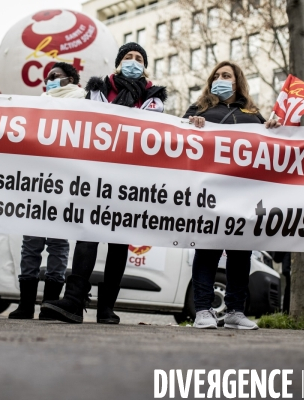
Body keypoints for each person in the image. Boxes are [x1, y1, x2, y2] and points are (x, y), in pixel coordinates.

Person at [41, 43, 167, 324]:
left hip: (131, 180)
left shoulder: (154, 97)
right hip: (96, 175)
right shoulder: (97, 89)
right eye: (128, 57)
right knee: (88, 233)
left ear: (144, 66)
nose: (133, 62)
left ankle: (106, 307)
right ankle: (73, 300)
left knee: (119, 242)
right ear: (118, 62)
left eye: (138, 58)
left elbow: (150, 131)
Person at [183, 61, 263, 330]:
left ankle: (234, 311)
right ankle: (203, 310)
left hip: (242, 195)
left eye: (226, 75)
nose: (220, 79)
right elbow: (178, 142)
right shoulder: (198, 110)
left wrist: (275, 129)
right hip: (209, 194)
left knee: (241, 254)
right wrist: (190, 126)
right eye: (216, 75)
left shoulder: (253, 115)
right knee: (207, 251)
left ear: (237, 81)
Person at [8, 62, 82, 320]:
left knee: (58, 247)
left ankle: (51, 304)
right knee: (31, 246)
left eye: (55, 76)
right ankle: (25, 305)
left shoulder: (83, 103)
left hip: (64, 185)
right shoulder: (38, 104)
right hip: (38, 184)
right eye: (47, 76)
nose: (49, 80)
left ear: (70, 79)